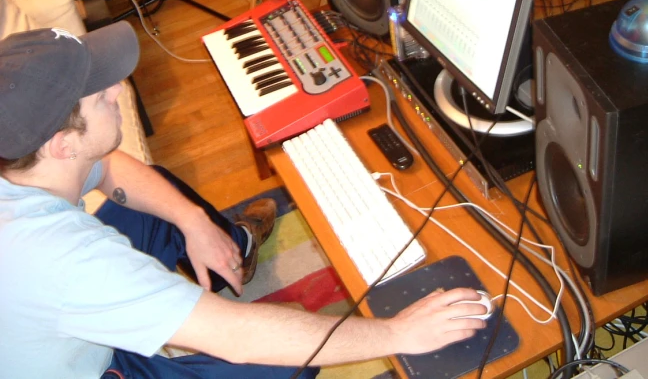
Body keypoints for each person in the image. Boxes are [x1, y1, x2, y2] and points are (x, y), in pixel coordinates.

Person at [0, 22, 488, 379]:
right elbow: (239, 338)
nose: (116, 87)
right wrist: (397, 333)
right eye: (97, 93)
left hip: (56, 325)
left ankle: (235, 246)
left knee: (153, 196)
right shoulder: (65, 259)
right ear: (62, 145)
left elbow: (107, 165)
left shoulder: (23, 158)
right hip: (93, 364)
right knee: (289, 349)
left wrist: (195, 222)